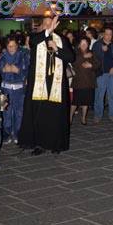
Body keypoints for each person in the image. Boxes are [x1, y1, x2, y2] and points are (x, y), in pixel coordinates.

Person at [19, 14, 74, 155]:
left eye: (51, 24)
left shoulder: (62, 39)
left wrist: (57, 49)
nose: (49, 26)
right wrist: (47, 32)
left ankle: (56, 144)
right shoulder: (35, 38)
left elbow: (71, 57)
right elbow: (32, 43)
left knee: (56, 114)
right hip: (39, 83)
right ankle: (40, 144)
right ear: (42, 26)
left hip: (56, 83)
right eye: (46, 24)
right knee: (39, 114)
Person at [0, 36, 29, 144]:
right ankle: (6, 134)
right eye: (9, 46)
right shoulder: (2, 56)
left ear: (17, 45)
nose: (11, 48)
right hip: (5, 88)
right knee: (5, 113)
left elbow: (27, 71)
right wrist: (3, 70)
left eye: (14, 46)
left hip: (19, 89)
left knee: (19, 113)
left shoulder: (23, 55)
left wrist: (18, 71)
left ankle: (17, 134)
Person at [92, 27, 113, 123]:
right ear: (103, 34)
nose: (108, 36)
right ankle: (98, 115)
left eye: (110, 34)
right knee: (99, 95)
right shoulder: (97, 45)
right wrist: (101, 51)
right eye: (107, 34)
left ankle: (112, 114)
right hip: (101, 73)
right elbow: (94, 59)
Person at [70, 36, 101, 126]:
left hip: (89, 81)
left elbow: (98, 63)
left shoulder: (91, 53)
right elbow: (74, 62)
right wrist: (84, 56)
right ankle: (70, 117)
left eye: (85, 43)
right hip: (78, 81)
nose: (84, 45)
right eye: (82, 43)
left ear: (88, 44)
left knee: (86, 102)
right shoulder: (75, 52)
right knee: (75, 102)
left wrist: (91, 65)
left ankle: (83, 117)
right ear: (79, 44)